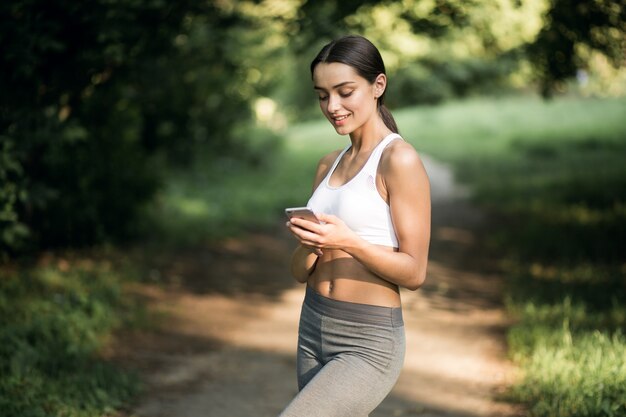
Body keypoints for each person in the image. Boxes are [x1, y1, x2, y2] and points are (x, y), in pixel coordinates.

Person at [280, 35, 431, 417]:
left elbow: (414, 272)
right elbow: (299, 272)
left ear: (378, 85)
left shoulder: (398, 160)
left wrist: (350, 242)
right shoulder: (327, 163)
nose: (332, 106)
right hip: (312, 325)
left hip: (368, 341)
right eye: (322, 95)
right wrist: (310, 244)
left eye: (345, 92)